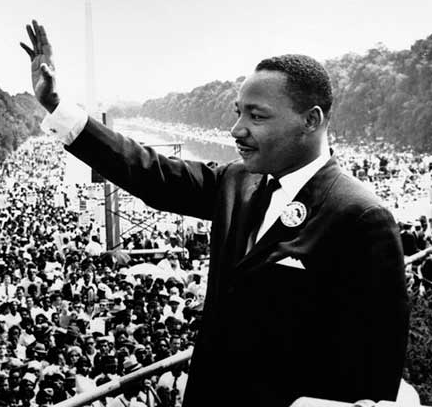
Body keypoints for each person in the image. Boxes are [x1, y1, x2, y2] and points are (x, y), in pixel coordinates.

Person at [21, 20, 409, 406]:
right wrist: (58, 107)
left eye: (256, 117)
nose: (236, 130)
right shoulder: (237, 181)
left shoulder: (361, 217)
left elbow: (375, 374)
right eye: (238, 113)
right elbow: (147, 171)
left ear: (311, 120)